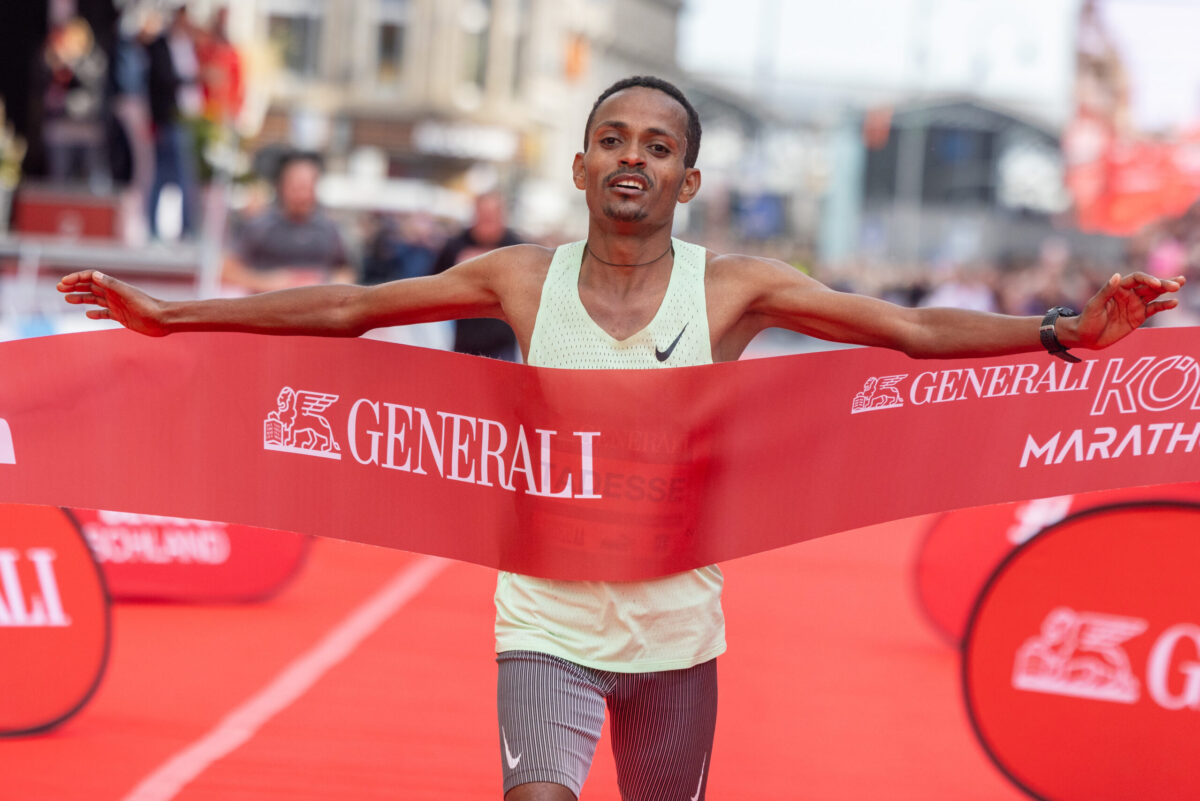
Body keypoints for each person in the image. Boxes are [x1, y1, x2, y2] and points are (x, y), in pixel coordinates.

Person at [59, 75, 1183, 801]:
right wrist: (175, 312)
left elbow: (906, 330)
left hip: (678, 633)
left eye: (656, 143)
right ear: (585, 166)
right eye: (611, 138)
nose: (631, 155)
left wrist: (1060, 329)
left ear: (687, 178)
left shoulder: (737, 287)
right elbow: (349, 308)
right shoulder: (517, 278)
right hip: (542, 616)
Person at [221, 151, 354, 293]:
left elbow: (345, 270)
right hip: (268, 309)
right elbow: (227, 271)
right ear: (282, 186)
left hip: (319, 311)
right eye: (296, 187)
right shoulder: (260, 226)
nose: (302, 194)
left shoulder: (329, 229)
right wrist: (267, 282)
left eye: (307, 186)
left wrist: (330, 285)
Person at [432, 191, 524, 360]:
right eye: (483, 215)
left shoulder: (518, 247)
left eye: (492, 215)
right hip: (464, 339)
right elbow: (433, 283)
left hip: (502, 343)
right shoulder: (455, 245)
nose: (487, 221)